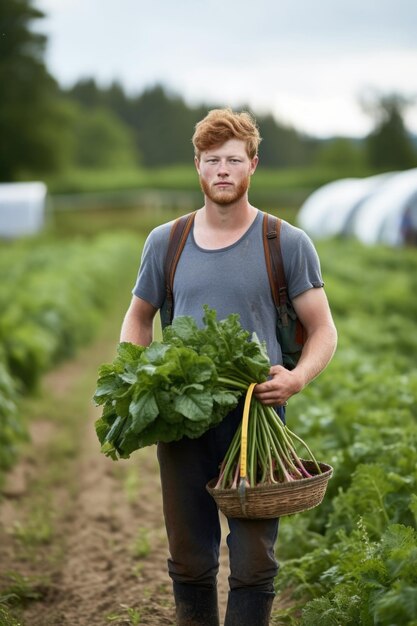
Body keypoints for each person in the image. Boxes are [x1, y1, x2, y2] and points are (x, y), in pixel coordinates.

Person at [120, 108, 337, 626]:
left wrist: (297, 377)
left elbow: (323, 328)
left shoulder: (285, 242)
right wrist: (139, 377)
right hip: (183, 422)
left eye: (233, 160)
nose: (222, 170)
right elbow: (137, 318)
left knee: (255, 563)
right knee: (191, 560)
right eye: (212, 160)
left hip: (257, 421)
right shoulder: (165, 242)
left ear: (252, 165)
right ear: (197, 166)